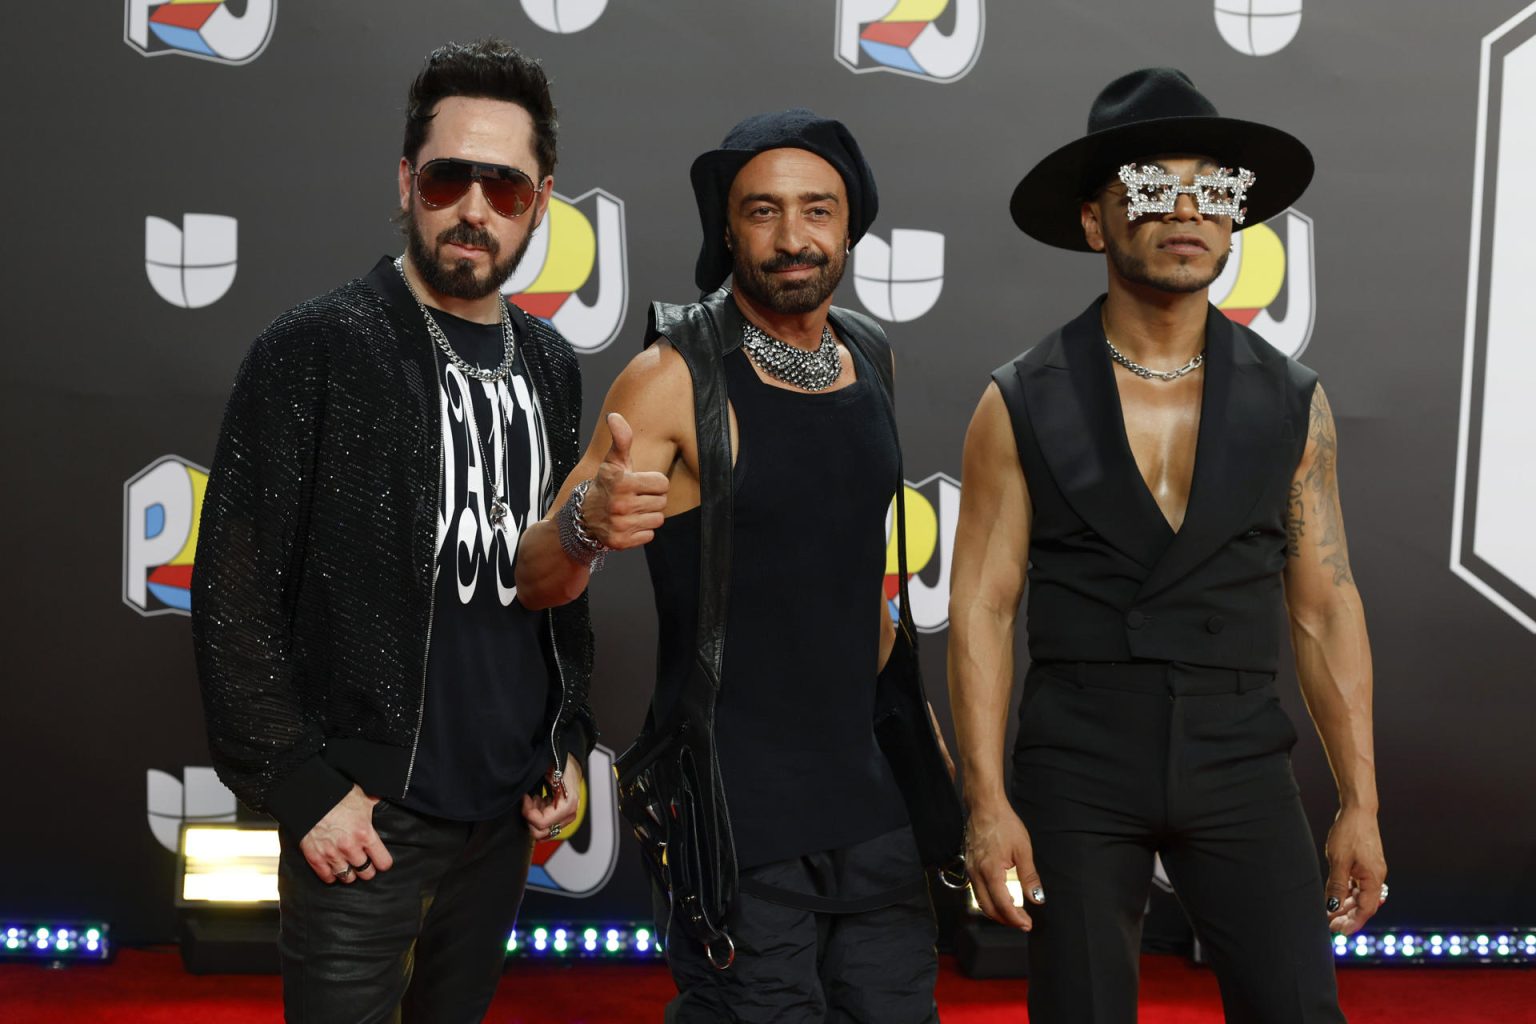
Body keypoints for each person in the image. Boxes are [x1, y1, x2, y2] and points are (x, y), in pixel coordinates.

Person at [948, 68, 1386, 1022]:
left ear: (1236, 220)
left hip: (1239, 752)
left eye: (1213, 189)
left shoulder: (1293, 403)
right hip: (1077, 755)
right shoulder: (1019, 399)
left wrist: (1361, 804)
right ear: (1096, 222)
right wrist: (986, 806)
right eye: (1151, 186)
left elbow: (1323, 605)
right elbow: (982, 604)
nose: (1186, 210)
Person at [192, 39, 597, 1023]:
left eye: (505, 188)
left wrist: (565, 737)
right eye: (450, 177)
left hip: (500, 818)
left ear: (540, 203)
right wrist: (302, 784)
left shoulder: (550, 363)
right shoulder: (316, 348)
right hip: (364, 815)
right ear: (407, 181)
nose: (473, 209)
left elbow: (556, 572)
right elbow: (233, 591)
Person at [516, 109, 941, 1023]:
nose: (794, 238)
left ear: (850, 223)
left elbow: (856, 579)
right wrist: (589, 523)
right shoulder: (671, 376)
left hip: (870, 807)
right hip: (735, 821)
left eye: (817, 210)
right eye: (764, 212)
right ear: (726, 227)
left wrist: (917, 732)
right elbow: (535, 575)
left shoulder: (869, 355)